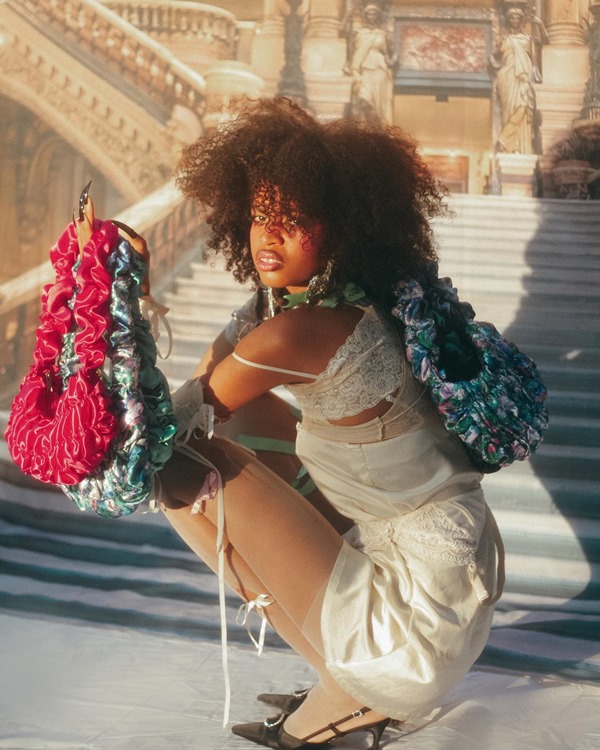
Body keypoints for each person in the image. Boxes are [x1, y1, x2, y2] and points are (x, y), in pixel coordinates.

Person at [119, 97, 503, 749]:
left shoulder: (298, 331)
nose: (267, 237)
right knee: (240, 425)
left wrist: (122, 294)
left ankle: (352, 690)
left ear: (343, 228)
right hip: (449, 595)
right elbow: (214, 385)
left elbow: (158, 426)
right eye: (258, 217)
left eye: (293, 221)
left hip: (409, 632)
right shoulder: (355, 302)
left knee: (171, 464)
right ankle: (341, 676)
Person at [490, 7, 547, 154]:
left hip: (523, 77)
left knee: (523, 106)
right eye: (512, 18)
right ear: (509, 21)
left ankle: (505, 140)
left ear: (521, 21)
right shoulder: (504, 39)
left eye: (517, 18)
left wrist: (539, 24)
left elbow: (545, 42)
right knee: (508, 111)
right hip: (506, 76)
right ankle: (511, 146)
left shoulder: (528, 39)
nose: (515, 20)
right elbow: (493, 58)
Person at [345, 2, 396, 123]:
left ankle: (376, 128)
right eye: (369, 14)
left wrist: (391, 61)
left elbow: (392, 52)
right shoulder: (360, 33)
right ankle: (365, 126)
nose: (371, 16)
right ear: (365, 15)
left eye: (374, 14)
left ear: (377, 16)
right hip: (364, 68)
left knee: (378, 105)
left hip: (380, 69)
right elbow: (351, 51)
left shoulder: (382, 34)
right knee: (364, 99)